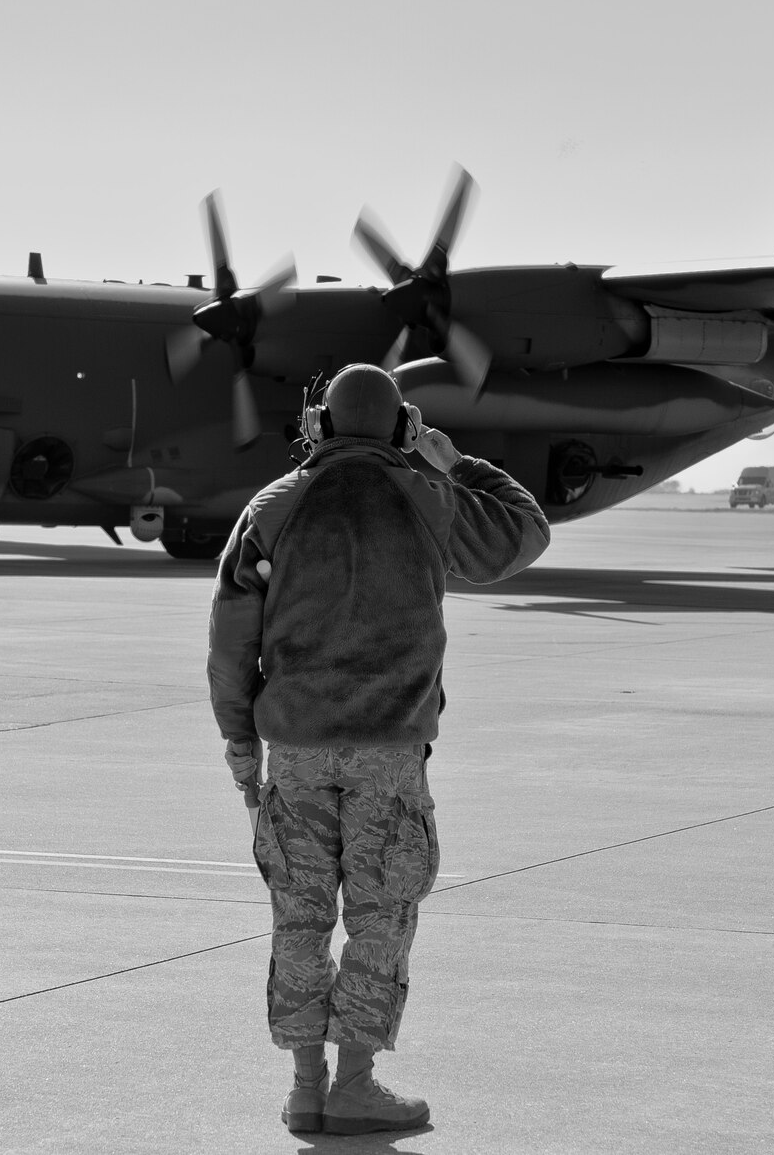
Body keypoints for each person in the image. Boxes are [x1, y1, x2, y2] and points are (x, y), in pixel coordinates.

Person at [207, 363, 550, 1135]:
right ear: (402, 428)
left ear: (318, 424)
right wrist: (451, 459)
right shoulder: (433, 498)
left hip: (293, 751)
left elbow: (231, 642)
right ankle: (355, 1084)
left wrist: (240, 746)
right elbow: (527, 529)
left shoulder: (272, 507)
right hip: (389, 757)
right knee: (379, 918)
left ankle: (305, 1088)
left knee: (297, 919)